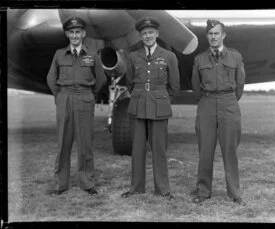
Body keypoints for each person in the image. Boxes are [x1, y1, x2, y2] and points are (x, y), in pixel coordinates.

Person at [121, 17, 180, 200]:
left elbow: (174, 85)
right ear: (140, 35)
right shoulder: (133, 56)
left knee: (159, 149)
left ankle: (163, 189)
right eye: (144, 33)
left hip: (159, 106)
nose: (148, 36)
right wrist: (141, 95)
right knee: (137, 149)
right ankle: (136, 188)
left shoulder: (168, 56)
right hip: (138, 105)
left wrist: (161, 98)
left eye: (151, 32)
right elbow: (129, 83)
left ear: (157, 34)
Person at [47, 16, 107, 195]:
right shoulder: (59, 54)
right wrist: (60, 96)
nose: (74, 35)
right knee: (63, 143)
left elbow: (101, 78)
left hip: (84, 99)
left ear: (83, 34)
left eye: (78, 32)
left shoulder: (92, 55)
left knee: (85, 143)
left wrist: (89, 94)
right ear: (67, 34)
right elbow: (51, 79)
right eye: (71, 32)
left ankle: (87, 183)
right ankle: (61, 183)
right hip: (65, 98)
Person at [191, 19, 246, 205]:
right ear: (207, 36)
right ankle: (203, 191)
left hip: (229, 103)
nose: (213, 37)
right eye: (210, 33)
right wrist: (208, 100)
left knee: (230, 150)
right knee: (205, 150)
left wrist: (227, 99)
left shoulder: (235, 57)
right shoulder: (199, 59)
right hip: (206, 103)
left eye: (216, 33)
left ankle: (235, 193)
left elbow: (240, 85)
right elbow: (195, 87)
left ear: (223, 35)